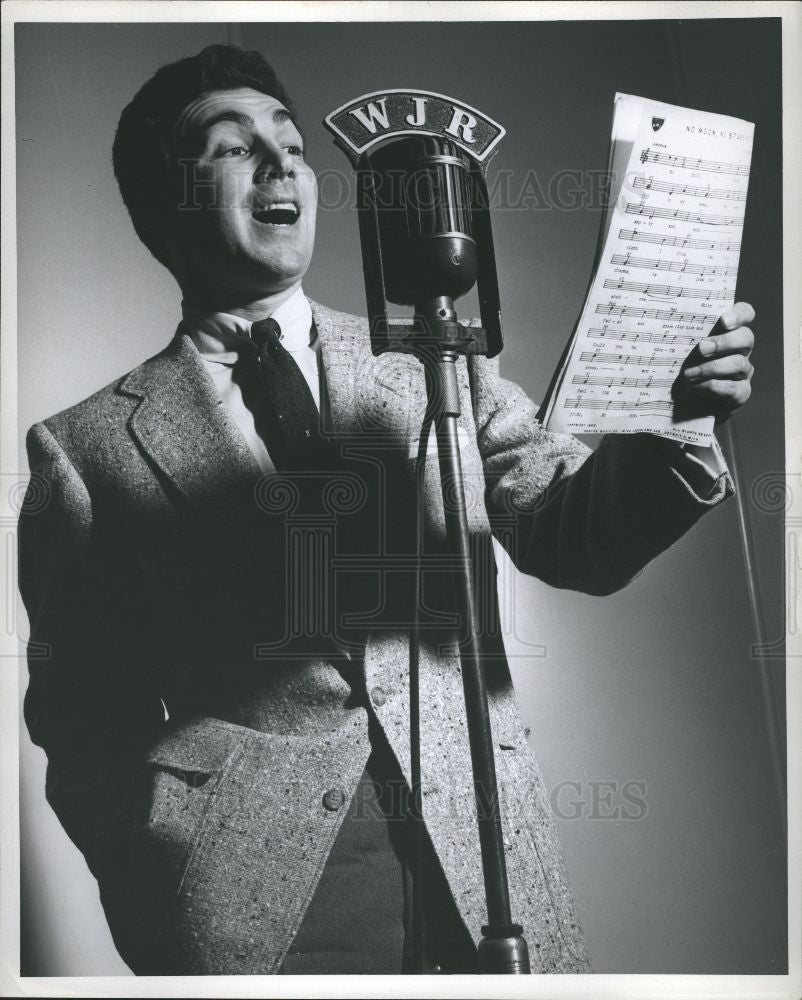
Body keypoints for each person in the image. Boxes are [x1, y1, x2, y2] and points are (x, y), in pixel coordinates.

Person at [19, 44, 756, 976]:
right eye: (233, 148)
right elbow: (81, 718)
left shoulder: (439, 362)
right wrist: (164, 868)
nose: (283, 163)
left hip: (486, 872)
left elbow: (578, 537)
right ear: (164, 200)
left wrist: (678, 428)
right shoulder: (82, 449)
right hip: (258, 915)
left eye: (289, 142)